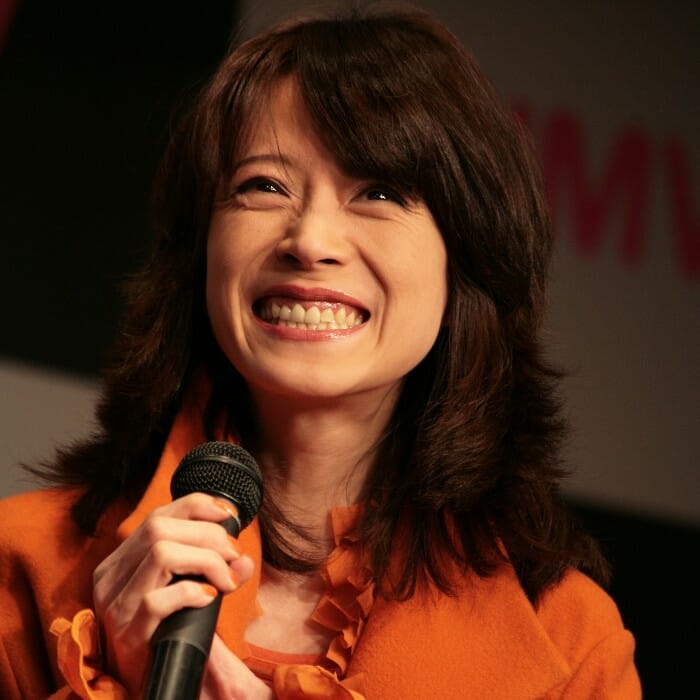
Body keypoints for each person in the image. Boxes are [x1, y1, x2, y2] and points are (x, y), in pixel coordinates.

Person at [0, 4, 641, 698]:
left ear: (468, 259)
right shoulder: (21, 565)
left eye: (379, 192)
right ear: (201, 248)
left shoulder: (570, 642)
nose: (309, 240)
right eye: (263, 186)